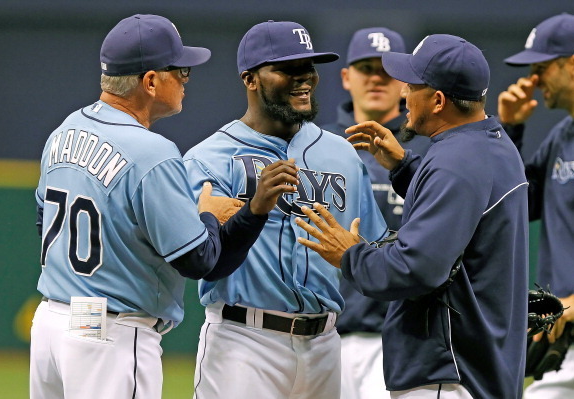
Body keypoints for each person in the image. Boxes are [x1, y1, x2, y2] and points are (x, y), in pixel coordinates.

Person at [30, 14, 299, 399]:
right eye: (181, 69)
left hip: (52, 324)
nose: (187, 79)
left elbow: (44, 219)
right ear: (151, 81)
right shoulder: (152, 152)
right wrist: (208, 212)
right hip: (111, 333)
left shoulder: (65, 130)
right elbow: (198, 260)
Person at [295, 34, 529, 399]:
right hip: (477, 366)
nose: (403, 91)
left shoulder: (455, 162)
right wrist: (406, 167)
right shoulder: (492, 144)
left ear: (437, 100)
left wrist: (350, 255)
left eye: (413, 84)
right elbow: (460, 205)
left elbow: (416, 268)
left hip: (447, 371)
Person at [183, 20, 388, 399]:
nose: (304, 79)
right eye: (287, 69)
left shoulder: (341, 153)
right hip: (244, 341)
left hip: (325, 344)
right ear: (251, 79)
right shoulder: (209, 158)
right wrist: (254, 210)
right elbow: (205, 261)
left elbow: (373, 249)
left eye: (308, 67)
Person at [322, 27, 430, 399]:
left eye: (385, 70)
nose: (375, 79)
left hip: (400, 334)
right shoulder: (316, 146)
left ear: (404, 84)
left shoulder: (427, 149)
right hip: (322, 333)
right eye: (365, 68)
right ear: (346, 77)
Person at [498, 12, 574, 399]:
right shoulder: (563, 136)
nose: (533, 80)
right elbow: (513, 207)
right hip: (563, 333)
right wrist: (510, 130)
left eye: (542, 68)